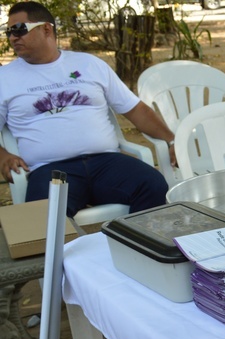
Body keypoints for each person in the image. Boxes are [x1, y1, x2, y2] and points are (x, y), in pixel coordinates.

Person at [0, 2, 175, 218]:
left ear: (46, 29)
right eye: (9, 31)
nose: (13, 37)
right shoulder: (5, 79)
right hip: (51, 171)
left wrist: (171, 141)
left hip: (106, 163)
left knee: (153, 185)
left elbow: (136, 109)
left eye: (19, 29)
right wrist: (3, 155)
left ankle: (138, 248)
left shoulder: (89, 64)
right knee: (43, 217)